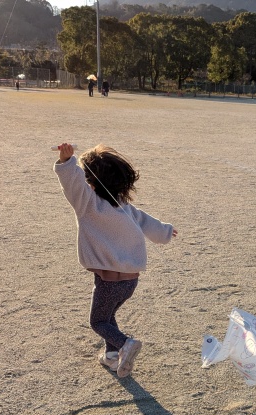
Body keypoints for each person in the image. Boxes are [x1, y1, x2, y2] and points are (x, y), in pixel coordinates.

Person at [53, 143, 178, 377]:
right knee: (108, 317)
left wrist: (67, 162)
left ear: (90, 182)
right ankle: (112, 357)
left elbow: (72, 184)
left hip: (109, 282)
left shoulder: (87, 204)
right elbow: (146, 221)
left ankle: (125, 345)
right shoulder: (124, 206)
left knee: (98, 322)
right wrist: (165, 231)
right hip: (130, 283)